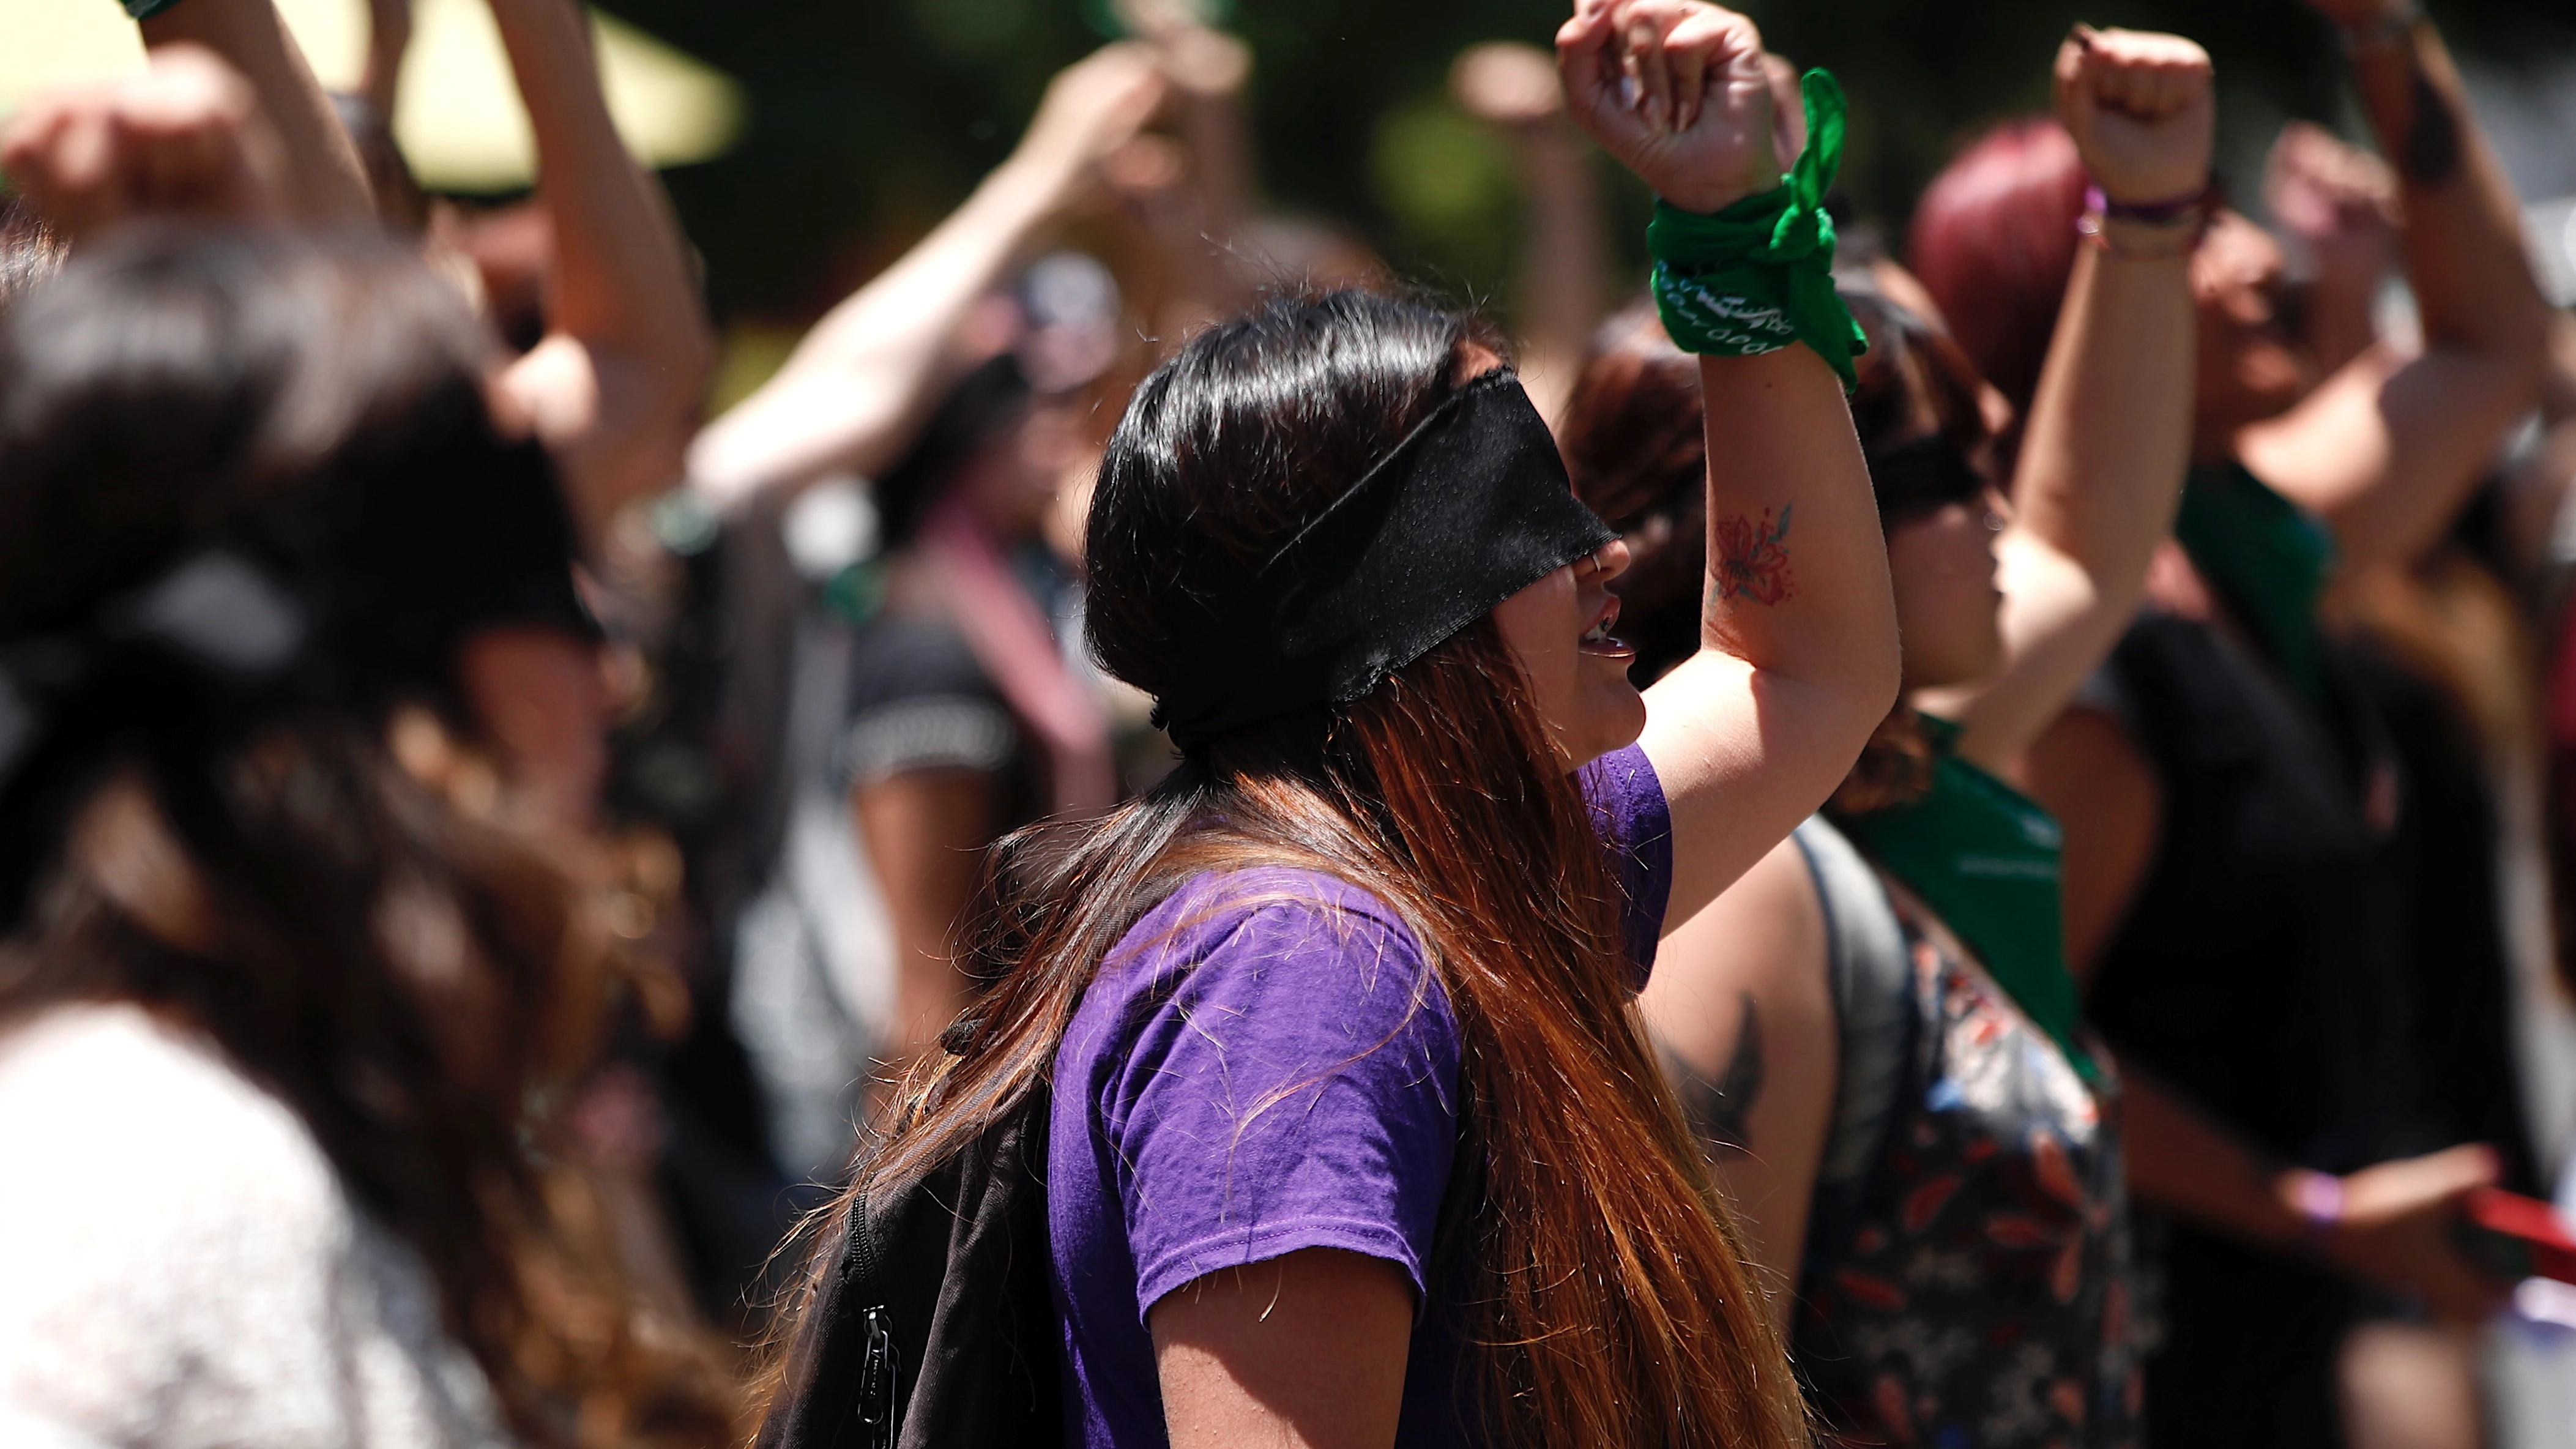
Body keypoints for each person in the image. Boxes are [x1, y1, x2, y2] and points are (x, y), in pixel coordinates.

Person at [761, 2, 1900, 1443]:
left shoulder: (1465, 884)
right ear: (1396, 606)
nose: (1606, 548)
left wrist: (1731, 218)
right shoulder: (1303, 972)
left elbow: (1798, 671)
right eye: (1522, 513)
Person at [1910, 0, 2556, 1442]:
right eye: (2195, 228)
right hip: (2170, 1356)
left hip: (2297, 1323)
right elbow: (2003, 1027)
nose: (2258, 259)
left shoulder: (2251, 542)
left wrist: (2387, 39)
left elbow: (2492, 346)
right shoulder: (2067, 664)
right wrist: (2303, 1211)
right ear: (2059, 289)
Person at [1568, 25, 2208, 1446]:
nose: (2001, 505)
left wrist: (2147, 213)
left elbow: (2088, 537)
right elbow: (1690, 1397)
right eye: (1943, 470)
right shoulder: (1727, 882)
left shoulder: (1897, 755)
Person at [0, 227, 734, 1447]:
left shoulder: (286, 1108)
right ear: (363, 671)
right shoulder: (143, 1178)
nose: (609, 670)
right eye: (529, 560)